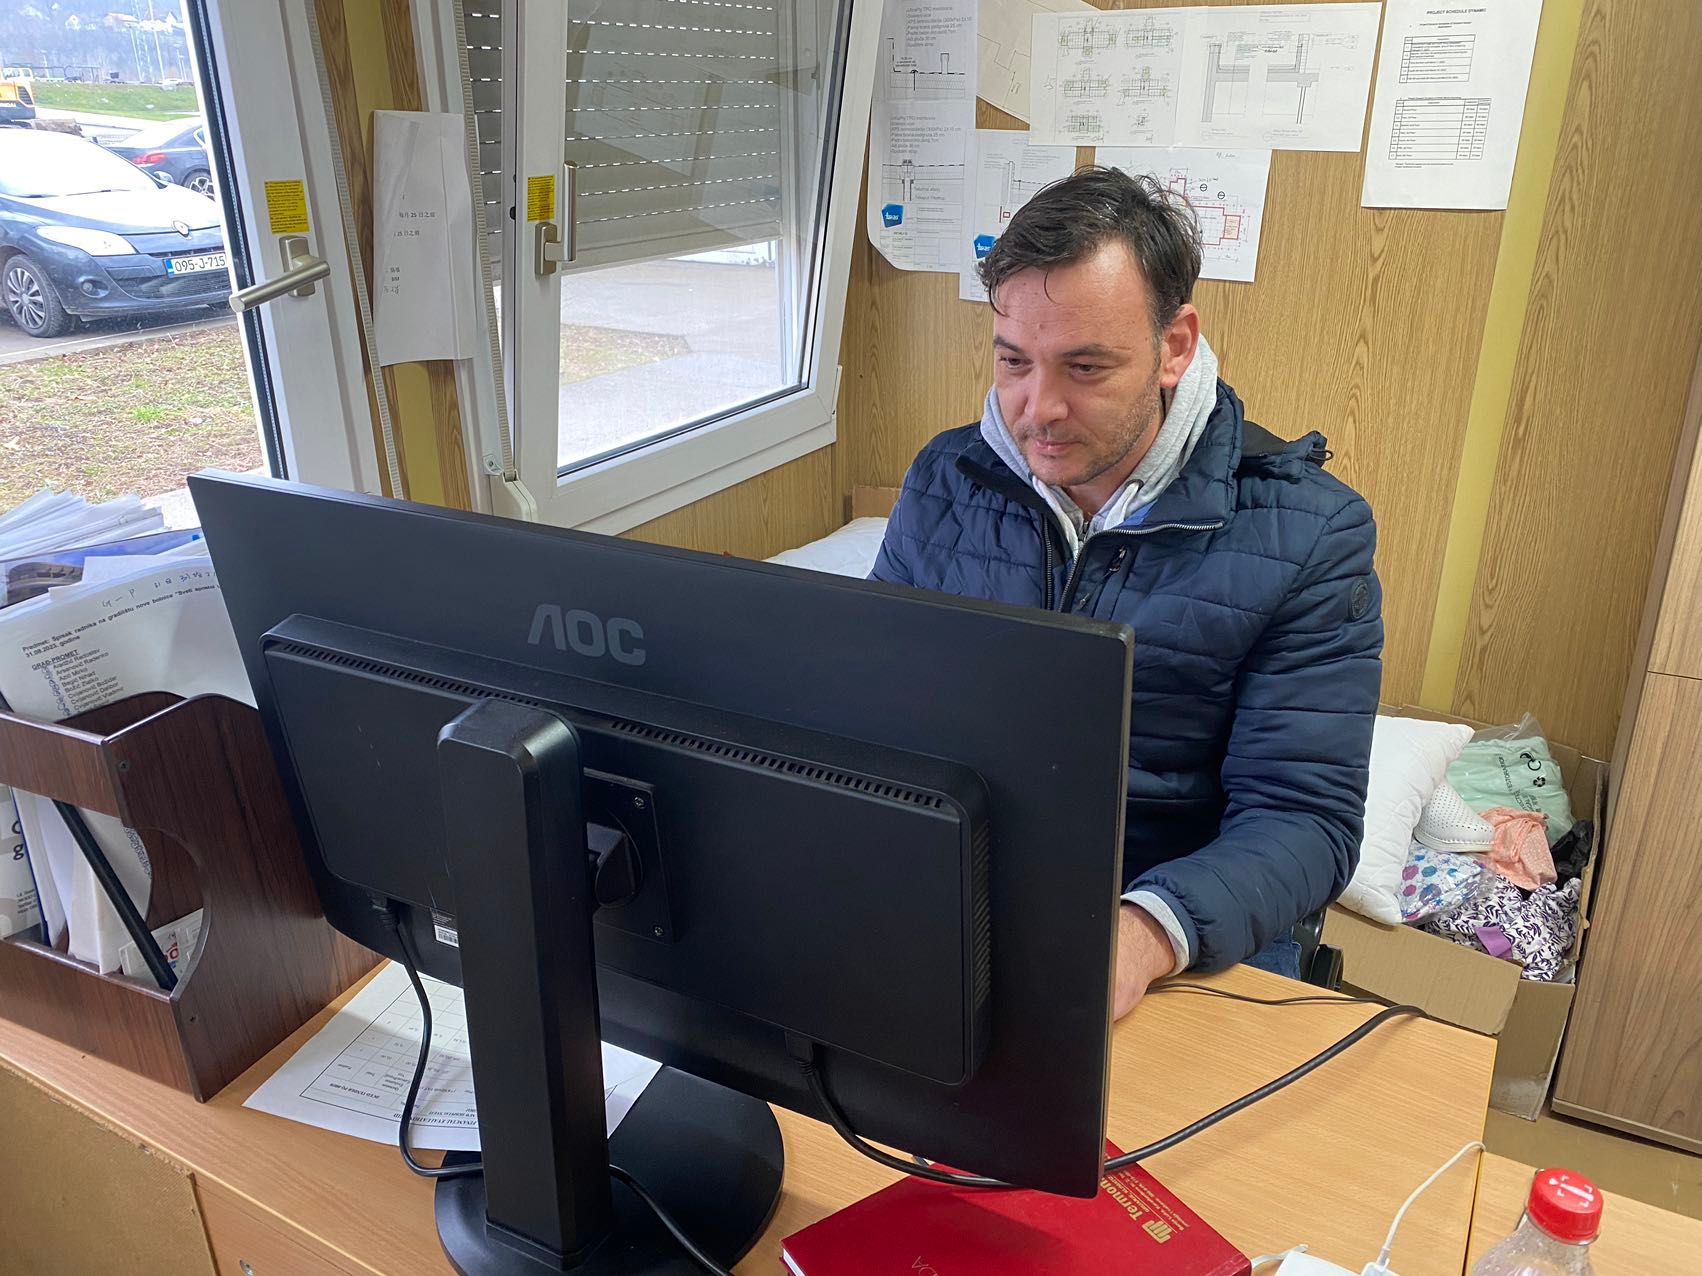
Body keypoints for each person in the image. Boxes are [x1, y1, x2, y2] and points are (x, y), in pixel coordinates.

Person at [870, 167, 1383, 1017]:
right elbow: (872, 708)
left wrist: (1144, 934)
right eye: (1013, 362)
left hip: (1183, 922)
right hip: (967, 887)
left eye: (1085, 367)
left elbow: (1304, 819)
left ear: (1174, 346)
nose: (1039, 410)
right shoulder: (946, 479)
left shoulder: (1309, 535)